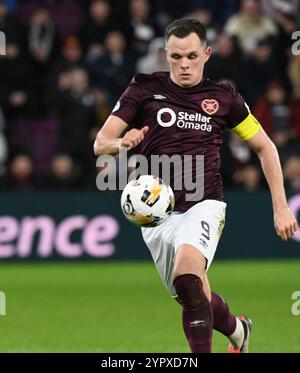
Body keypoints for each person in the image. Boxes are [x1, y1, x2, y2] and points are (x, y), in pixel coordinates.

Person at [93, 18, 298, 353]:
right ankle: (239, 333)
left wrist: (281, 206)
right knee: (194, 295)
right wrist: (121, 144)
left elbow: (265, 147)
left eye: (190, 56)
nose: (183, 64)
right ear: (165, 54)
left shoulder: (224, 98)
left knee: (187, 277)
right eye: (175, 57)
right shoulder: (143, 88)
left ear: (207, 54)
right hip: (157, 214)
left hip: (205, 203)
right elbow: (101, 142)